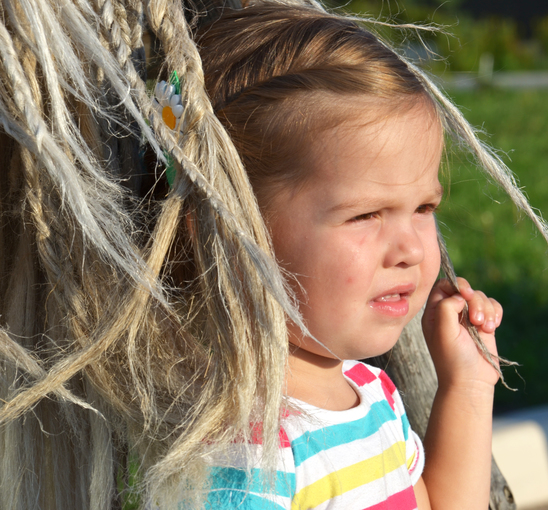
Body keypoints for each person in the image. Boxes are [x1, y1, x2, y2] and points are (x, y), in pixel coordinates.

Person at [194, 4, 508, 509]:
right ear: (230, 231)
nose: (411, 249)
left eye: (424, 208)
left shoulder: (370, 394)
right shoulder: (251, 456)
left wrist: (469, 384)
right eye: (365, 215)